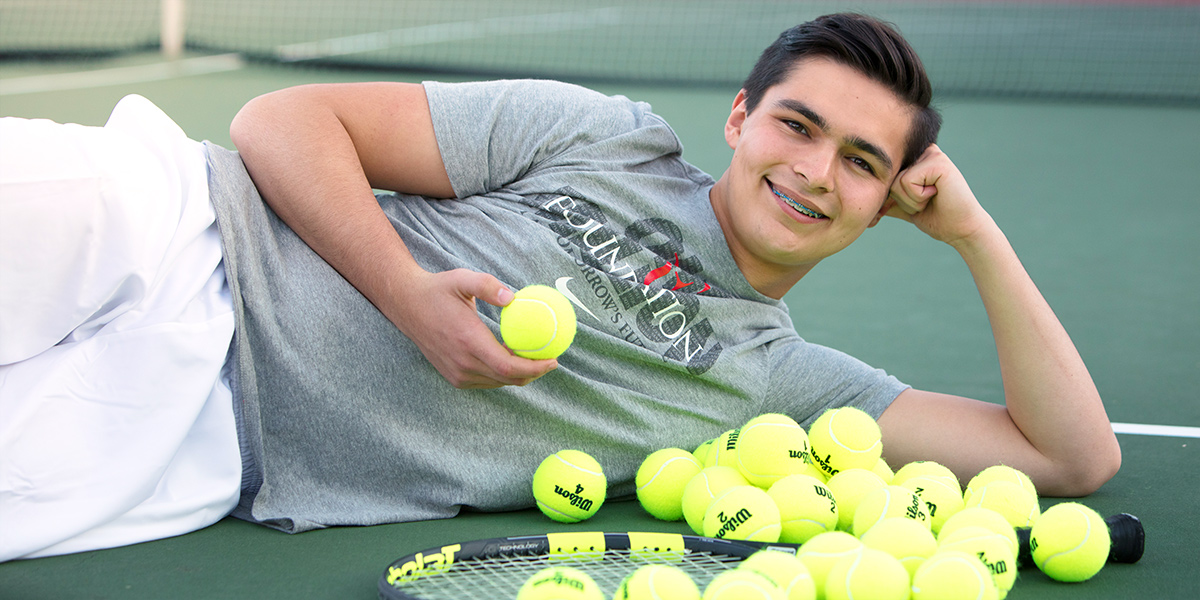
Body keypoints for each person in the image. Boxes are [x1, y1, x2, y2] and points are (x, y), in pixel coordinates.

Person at [0, 13, 1119, 561]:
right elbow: (281, 120)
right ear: (741, 118)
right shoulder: (605, 136)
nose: (815, 172)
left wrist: (972, 231)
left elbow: (1071, 458)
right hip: (178, 220)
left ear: (886, 202)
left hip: (202, 434)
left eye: (863, 164)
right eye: (798, 125)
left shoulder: (777, 383)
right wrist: (405, 294)